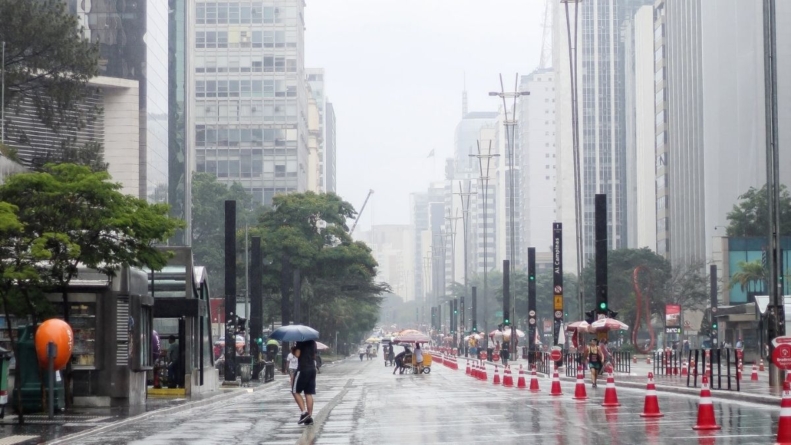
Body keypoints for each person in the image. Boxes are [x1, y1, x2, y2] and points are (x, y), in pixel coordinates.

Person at [292, 339, 317, 426]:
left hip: (303, 368)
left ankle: (304, 412)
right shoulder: (313, 342)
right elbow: (314, 355)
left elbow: (297, 354)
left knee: (295, 391)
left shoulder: (300, 342)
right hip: (312, 368)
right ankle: (309, 417)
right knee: (308, 393)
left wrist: (294, 350)